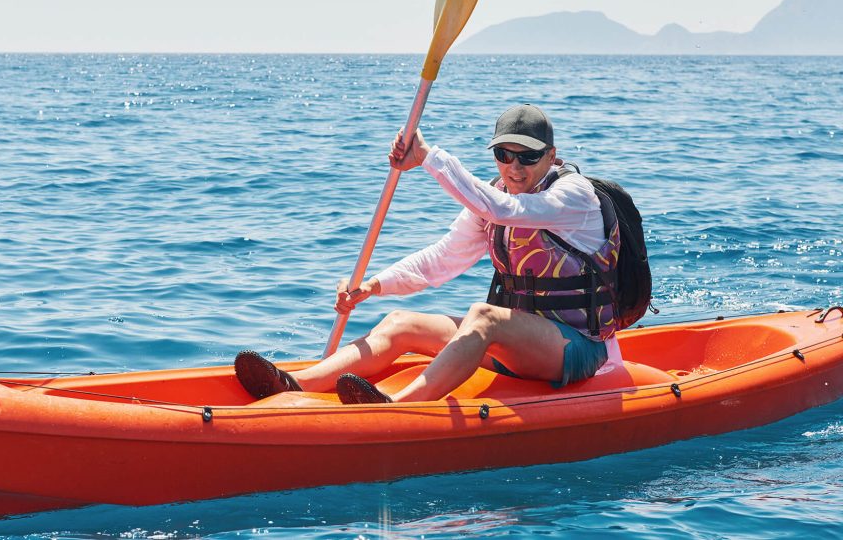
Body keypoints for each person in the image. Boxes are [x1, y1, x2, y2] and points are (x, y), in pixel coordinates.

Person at [235, 104, 621, 404]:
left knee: (483, 317)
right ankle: (293, 386)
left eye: (527, 157)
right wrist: (374, 285)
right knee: (401, 321)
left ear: (551, 156)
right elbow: (442, 259)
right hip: (519, 346)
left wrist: (429, 158)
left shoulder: (573, 196)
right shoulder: (494, 195)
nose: (514, 167)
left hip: (577, 348)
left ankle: (397, 407)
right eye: (504, 155)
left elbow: (505, 212)